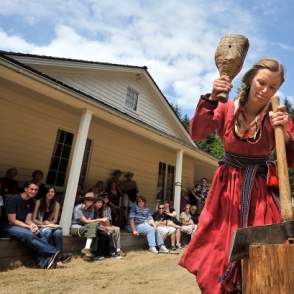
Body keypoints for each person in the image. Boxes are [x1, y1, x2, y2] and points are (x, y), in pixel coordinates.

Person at [179, 58, 294, 293]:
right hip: (227, 189)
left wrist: (286, 135)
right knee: (217, 249)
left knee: (266, 249)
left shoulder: (278, 116)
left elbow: (291, 160)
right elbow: (198, 134)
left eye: (273, 87)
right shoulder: (226, 108)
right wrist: (212, 98)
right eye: (262, 82)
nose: (265, 90)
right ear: (251, 79)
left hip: (260, 192)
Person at [0, 182, 61, 269]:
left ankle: (44, 263)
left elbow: (28, 220)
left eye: (36, 190)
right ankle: (54, 252)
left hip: (21, 226)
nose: (33, 191)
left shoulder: (31, 202)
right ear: (25, 189)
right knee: (28, 234)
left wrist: (33, 225)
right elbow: (12, 220)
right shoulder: (12, 199)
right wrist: (28, 227)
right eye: (31, 189)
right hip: (7, 226)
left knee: (40, 234)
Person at [32, 185, 71, 263]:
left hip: (50, 225)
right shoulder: (39, 202)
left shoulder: (56, 204)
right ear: (45, 193)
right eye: (48, 192)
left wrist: (49, 224)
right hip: (39, 225)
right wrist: (44, 223)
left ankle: (59, 256)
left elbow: (55, 220)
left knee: (58, 232)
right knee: (48, 232)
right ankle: (46, 257)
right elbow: (34, 219)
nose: (50, 193)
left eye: (52, 192)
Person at [70, 191, 109, 261]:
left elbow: (89, 221)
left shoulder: (91, 209)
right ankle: (87, 249)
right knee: (94, 226)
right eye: (88, 199)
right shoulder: (78, 208)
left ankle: (101, 253)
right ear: (84, 200)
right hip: (75, 227)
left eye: (92, 200)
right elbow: (86, 221)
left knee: (104, 233)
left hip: (85, 227)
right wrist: (101, 219)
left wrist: (102, 227)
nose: (90, 201)